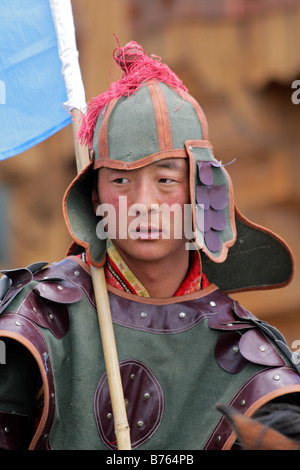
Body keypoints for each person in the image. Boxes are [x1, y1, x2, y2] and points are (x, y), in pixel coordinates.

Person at [0, 41, 300, 451]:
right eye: (121, 180)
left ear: (201, 190)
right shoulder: (36, 320)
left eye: (166, 179)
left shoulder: (254, 361)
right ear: (94, 197)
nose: (143, 205)